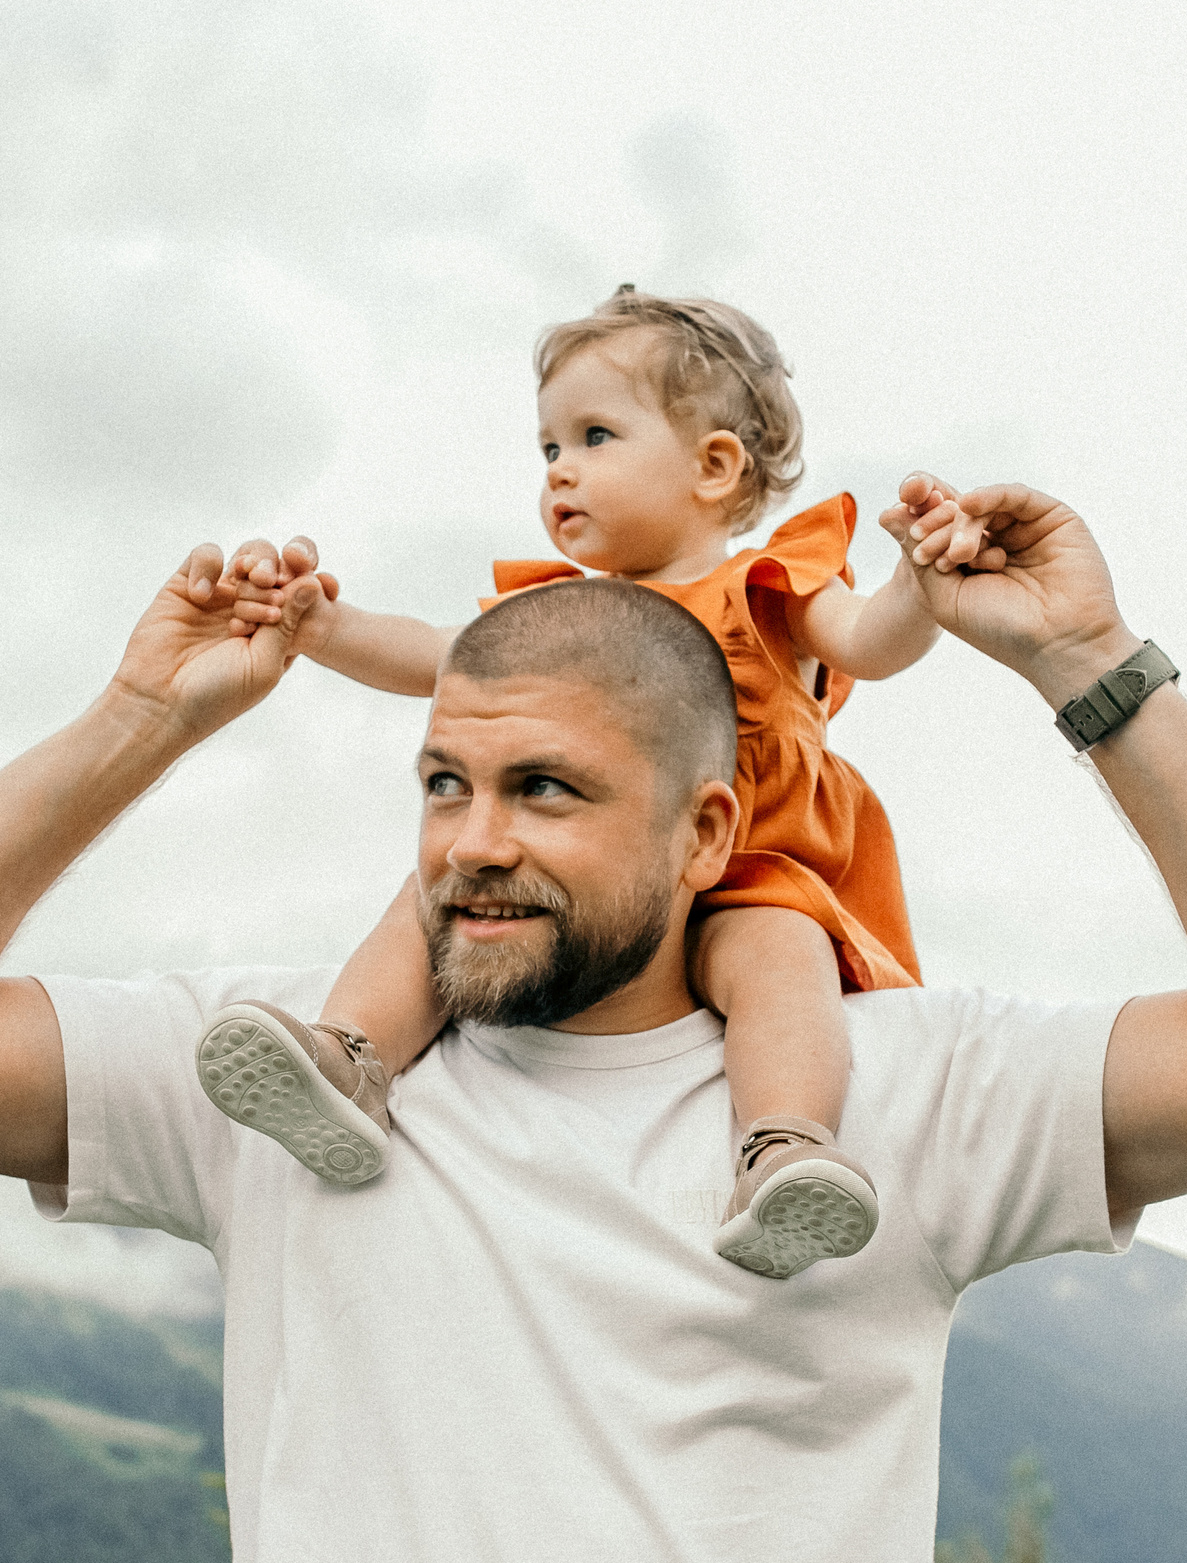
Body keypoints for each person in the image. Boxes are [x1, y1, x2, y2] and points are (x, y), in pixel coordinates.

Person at [0, 474, 1187, 1563]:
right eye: (444, 783)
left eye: (545, 790)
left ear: (707, 832)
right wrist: (141, 715)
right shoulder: (280, 1079)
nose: (472, 841)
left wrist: (1093, 665)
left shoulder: (895, 1092)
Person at [194, 287, 938, 1282]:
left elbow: (872, 643)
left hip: (750, 874)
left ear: (715, 466)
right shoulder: (550, 618)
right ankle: (350, 1060)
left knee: (778, 955)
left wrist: (921, 584)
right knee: (439, 896)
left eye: (594, 437)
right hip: (581, 877)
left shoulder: (768, 588)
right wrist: (321, 627)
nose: (560, 470)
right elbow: (433, 654)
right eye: (548, 447)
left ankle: (783, 1146)